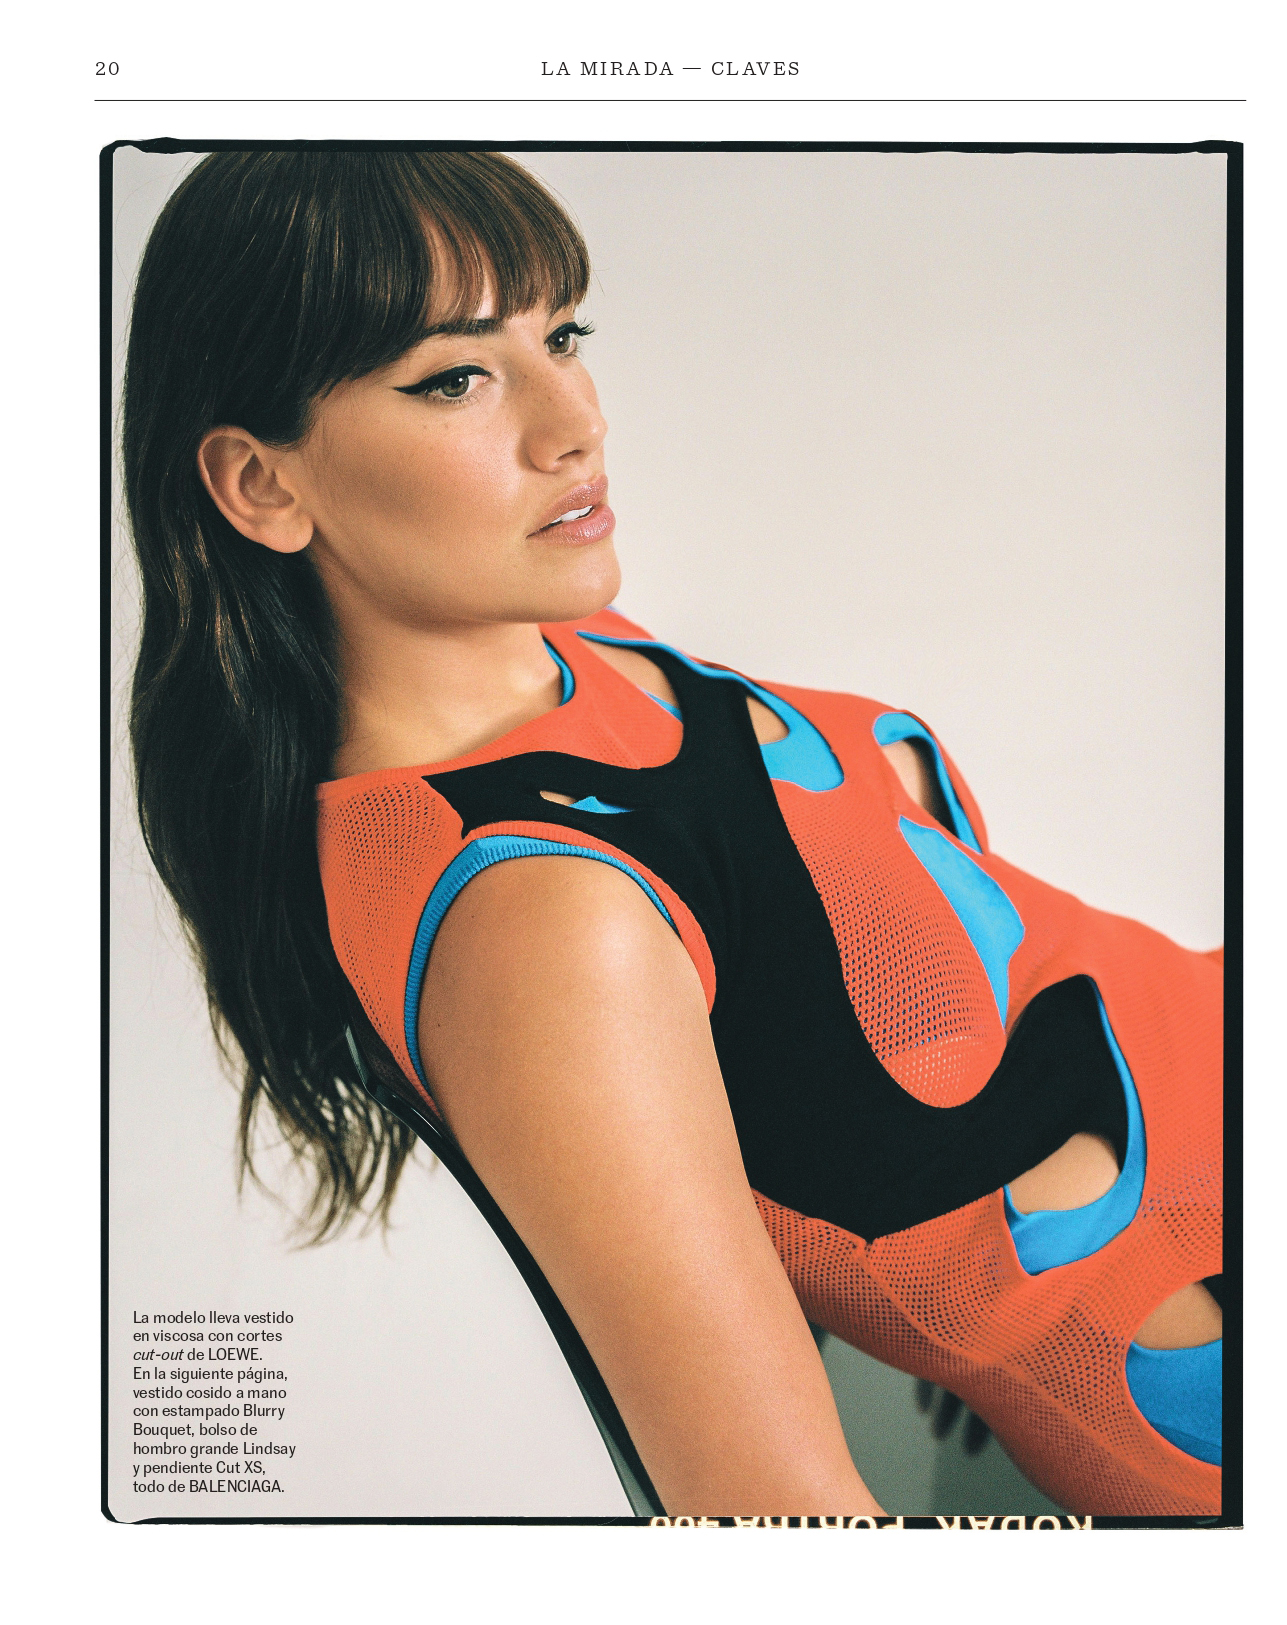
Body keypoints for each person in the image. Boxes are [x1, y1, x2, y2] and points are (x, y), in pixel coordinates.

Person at [124, 149, 1225, 1518]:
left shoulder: (553, 642)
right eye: (454, 378)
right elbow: (774, 1513)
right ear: (260, 486)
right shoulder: (538, 914)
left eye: (560, 336)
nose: (573, 422)